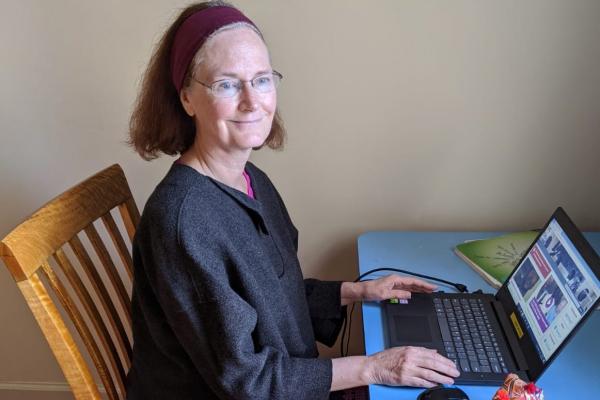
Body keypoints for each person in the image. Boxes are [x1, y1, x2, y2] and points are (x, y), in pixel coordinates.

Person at [126, 2, 460, 399]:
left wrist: (358, 291)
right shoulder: (183, 223)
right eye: (227, 84)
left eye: (262, 80)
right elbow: (245, 380)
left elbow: (270, 296)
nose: (253, 101)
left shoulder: (251, 181)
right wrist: (375, 367)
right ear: (186, 98)